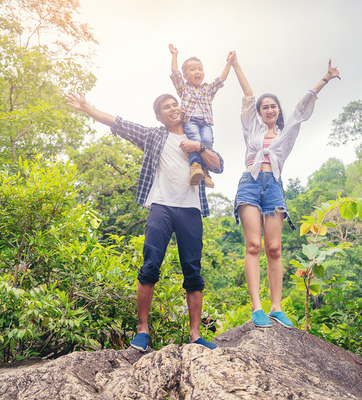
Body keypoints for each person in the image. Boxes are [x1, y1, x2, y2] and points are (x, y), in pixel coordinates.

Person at [65, 91, 224, 352]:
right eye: (167, 107)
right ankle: (142, 330)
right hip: (161, 205)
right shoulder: (154, 135)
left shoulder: (196, 135)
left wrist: (199, 148)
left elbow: (218, 165)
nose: (173, 109)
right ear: (159, 117)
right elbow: (118, 123)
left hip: (191, 209)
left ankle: (195, 336)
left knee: (193, 271)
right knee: (150, 265)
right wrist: (86, 108)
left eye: (176, 105)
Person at [229, 52, 340, 329]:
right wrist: (235, 65)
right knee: (253, 246)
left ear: (278, 110)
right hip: (250, 186)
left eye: (273, 107)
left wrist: (325, 79)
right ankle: (257, 308)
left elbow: (303, 107)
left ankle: (276, 308)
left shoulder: (286, 131)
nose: (269, 110)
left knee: (274, 248)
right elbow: (247, 95)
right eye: (265, 107)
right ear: (259, 112)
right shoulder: (251, 128)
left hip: (274, 187)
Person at [169, 43, 233, 188]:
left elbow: (222, 79)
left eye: (200, 69)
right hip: (190, 121)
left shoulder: (208, 89)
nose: (197, 71)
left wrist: (229, 63)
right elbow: (175, 73)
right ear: (185, 76)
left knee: (207, 142)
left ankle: (205, 171)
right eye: (192, 70)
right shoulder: (184, 88)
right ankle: (195, 165)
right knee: (196, 140)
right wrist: (174, 55)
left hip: (206, 122)